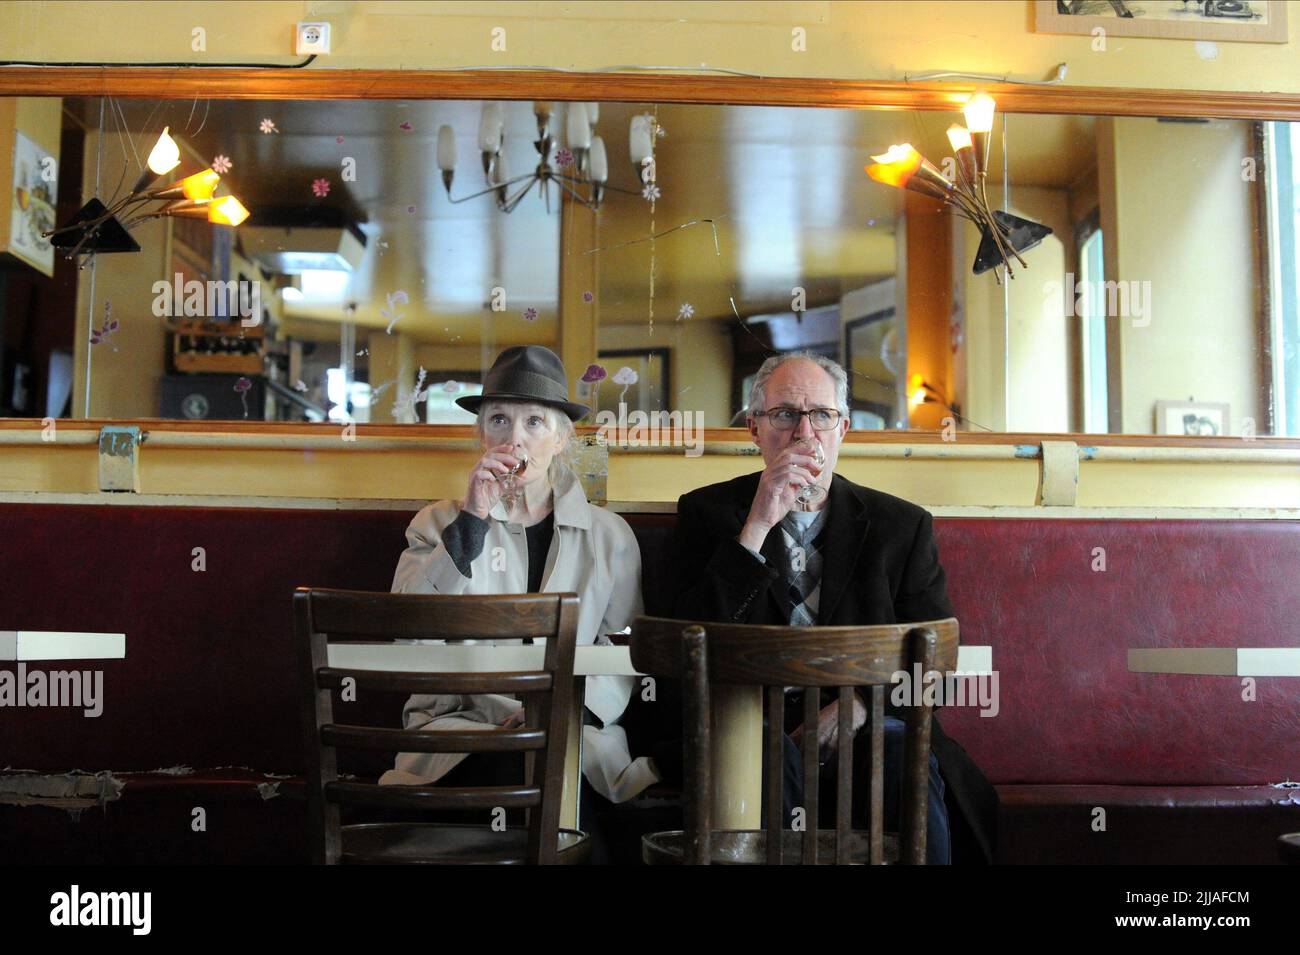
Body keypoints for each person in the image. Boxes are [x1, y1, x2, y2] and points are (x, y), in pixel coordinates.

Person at [666, 351, 998, 864]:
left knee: (903, 760)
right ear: (755, 429)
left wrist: (857, 705)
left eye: (821, 415)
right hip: (747, 720)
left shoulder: (901, 527)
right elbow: (682, 642)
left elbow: (938, 666)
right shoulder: (706, 514)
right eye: (785, 415)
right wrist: (755, 528)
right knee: (760, 758)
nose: (804, 433)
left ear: (842, 428)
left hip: (870, 717)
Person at [380, 345, 659, 839]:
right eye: (500, 421)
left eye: (535, 422)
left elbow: (625, 654)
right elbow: (408, 634)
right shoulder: (438, 523)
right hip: (458, 732)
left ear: (561, 438)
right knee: (515, 767)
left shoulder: (611, 535)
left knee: (554, 770)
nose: (516, 438)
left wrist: (546, 712)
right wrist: (472, 519)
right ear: (480, 435)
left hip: (576, 731)